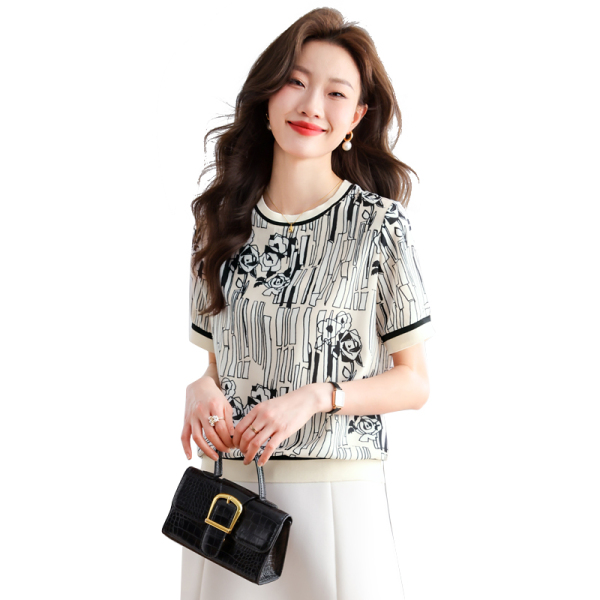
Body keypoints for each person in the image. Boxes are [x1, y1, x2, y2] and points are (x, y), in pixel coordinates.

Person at [180, 7, 435, 600]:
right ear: (267, 96)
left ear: (356, 117)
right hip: (230, 500)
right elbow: (219, 367)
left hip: (335, 498)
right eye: (295, 81)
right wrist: (200, 389)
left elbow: (415, 383)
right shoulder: (218, 223)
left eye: (335, 92)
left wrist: (320, 396)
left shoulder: (379, 227)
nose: (311, 105)